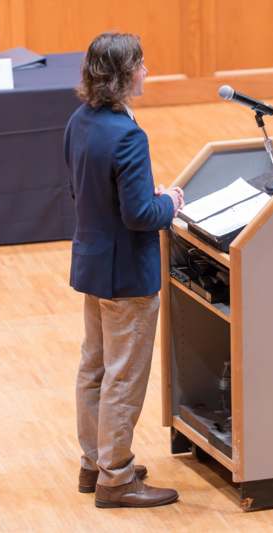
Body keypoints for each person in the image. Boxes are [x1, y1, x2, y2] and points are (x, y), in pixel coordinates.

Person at [63, 32, 185, 509]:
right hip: (128, 275)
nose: (146, 71)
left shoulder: (80, 120)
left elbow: (81, 189)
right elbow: (140, 216)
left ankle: (95, 463)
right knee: (123, 375)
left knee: (94, 366)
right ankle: (116, 478)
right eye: (140, 64)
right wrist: (168, 202)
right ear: (122, 76)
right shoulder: (128, 135)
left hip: (92, 262)